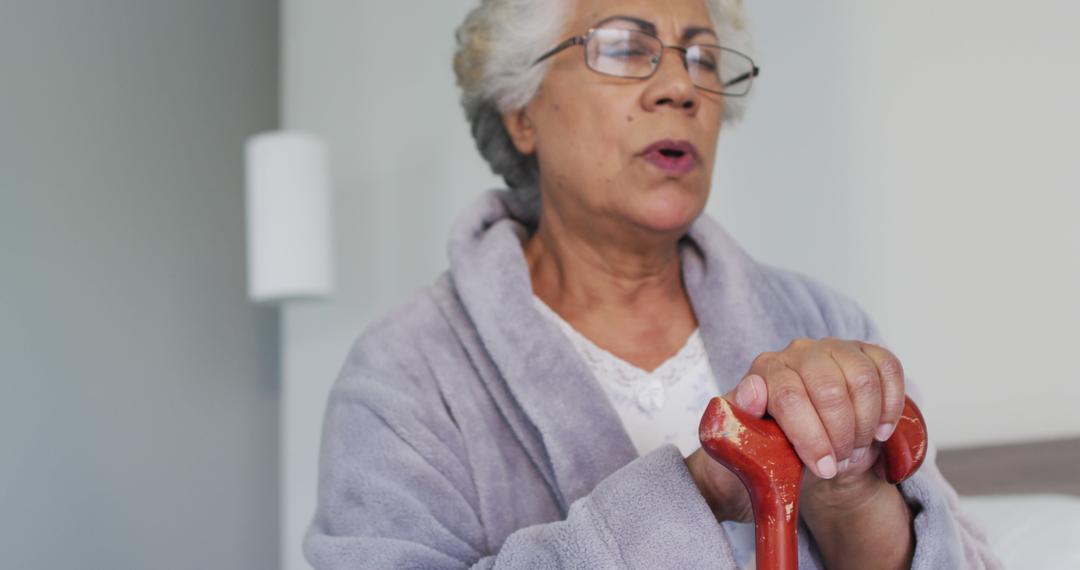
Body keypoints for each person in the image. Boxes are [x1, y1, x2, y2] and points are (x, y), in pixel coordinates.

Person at [303, 0, 1001, 567]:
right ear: (521, 111)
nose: (682, 87)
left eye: (702, 57)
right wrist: (691, 495)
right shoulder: (404, 375)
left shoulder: (820, 318)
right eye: (623, 47)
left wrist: (850, 493)